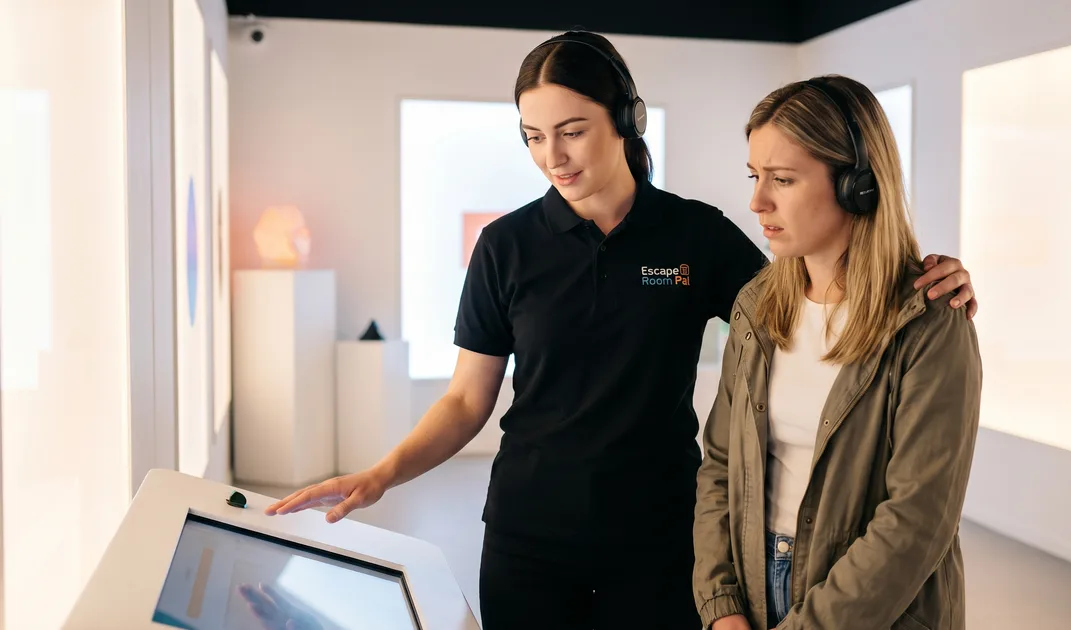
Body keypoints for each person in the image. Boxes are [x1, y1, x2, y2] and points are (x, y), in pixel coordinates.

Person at [264, 32, 978, 630]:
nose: (554, 156)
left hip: (659, 540)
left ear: (625, 120)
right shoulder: (505, 248)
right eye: (534, 137)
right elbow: (465, 401)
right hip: (528, 536)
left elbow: (810, 297)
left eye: (572, 131)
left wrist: (929, 276)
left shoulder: (696, 236)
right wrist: (382, 473)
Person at [692, 74, 983, 630]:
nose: (757, 201)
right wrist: (721, 605)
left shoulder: (930, 322)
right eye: (755, 176)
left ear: (858, 186)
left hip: (872, 610)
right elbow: (721, 466)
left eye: (783, 179)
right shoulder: (756, 305)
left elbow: (917, 520)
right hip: (754, 592)